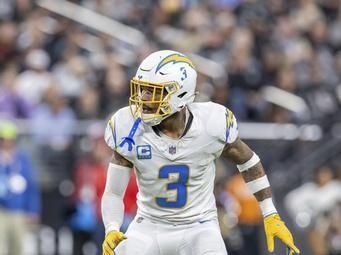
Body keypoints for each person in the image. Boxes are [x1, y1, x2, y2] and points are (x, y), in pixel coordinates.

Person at [101, 50, 300, 255]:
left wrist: (270, 213)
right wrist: (112, 228)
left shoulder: (210, 123)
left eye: (153, 91)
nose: (143, 98)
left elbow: (248, 162)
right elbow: (114, 192)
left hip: (199, 226)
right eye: (142, 90)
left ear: (180, 94)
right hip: (149, 225)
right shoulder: (128, 127)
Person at [0, 120, 41, 255]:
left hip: (18, 211)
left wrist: (33, 210)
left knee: (17, 248)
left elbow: (31, 187)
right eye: (4, 139)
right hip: (1, 211)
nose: (7, 143)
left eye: (10, 139)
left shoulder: (22, 159)